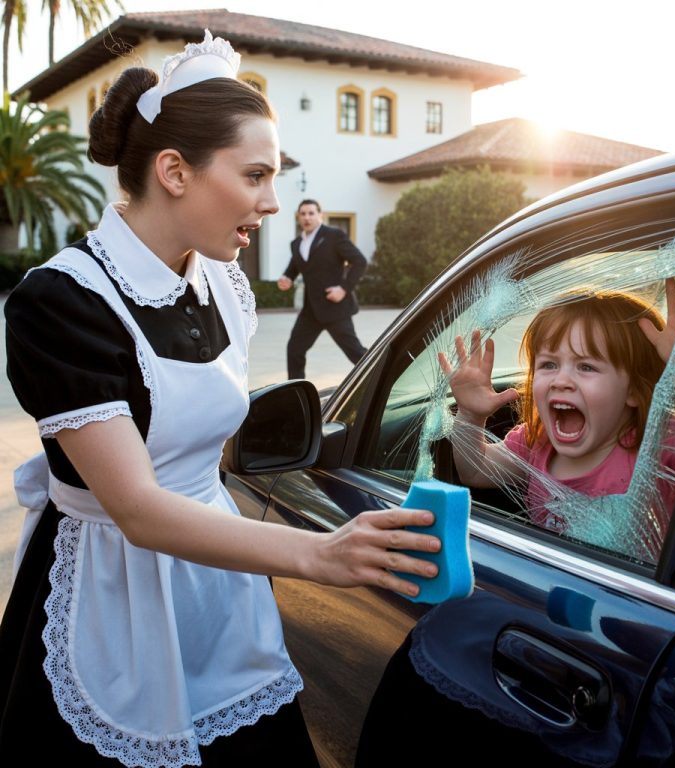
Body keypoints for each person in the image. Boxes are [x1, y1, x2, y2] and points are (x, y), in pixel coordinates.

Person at [0, 31, 441, 767]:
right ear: (175, 171)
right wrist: (320, 554)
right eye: (256, 175)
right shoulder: (64, 301)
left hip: (216, 582)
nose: (273, 202)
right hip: (115, 595)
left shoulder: (224, 288)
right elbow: (137, 509)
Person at [439, 280, 675, 553]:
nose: (561, 380)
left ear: (634, 388)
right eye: (549, 364)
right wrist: (471, 416)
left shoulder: (657, 440)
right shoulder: (536, 440)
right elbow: (474, 471)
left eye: (586, 367)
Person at [277, 199, 368, 379]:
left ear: (320, 215)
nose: (307, 217)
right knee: (294, 350)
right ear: (298, 217)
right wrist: (286, 278)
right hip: (311, 311)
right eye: (303, 214)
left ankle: (386, 380)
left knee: (355, 353)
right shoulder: (296, 244)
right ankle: (296, 394)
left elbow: (360, 261)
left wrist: (343, 289)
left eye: (311, 213)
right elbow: (294, 268)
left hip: (335, 307)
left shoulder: (334, 235)